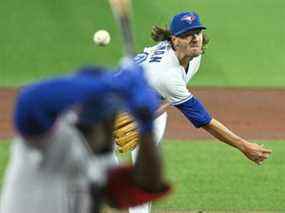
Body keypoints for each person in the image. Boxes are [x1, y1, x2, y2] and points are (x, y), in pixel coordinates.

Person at [125, 11, 272, 213]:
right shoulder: (166, 74)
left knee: (144, 172)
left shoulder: (193, 57)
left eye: (197, 32)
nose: (195, 38)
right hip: (107, 110)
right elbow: (205, 121)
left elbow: (168, 96)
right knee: (99, 175)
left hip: (148, 110)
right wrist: (244, 146)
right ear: (174, 40)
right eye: (187, 34)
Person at [0, 61, 170, 213]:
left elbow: (146, 185)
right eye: (113, 115)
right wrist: (110, 85)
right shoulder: (49, 139)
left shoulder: (104, 160)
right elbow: (30, 100)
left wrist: (146, 126)